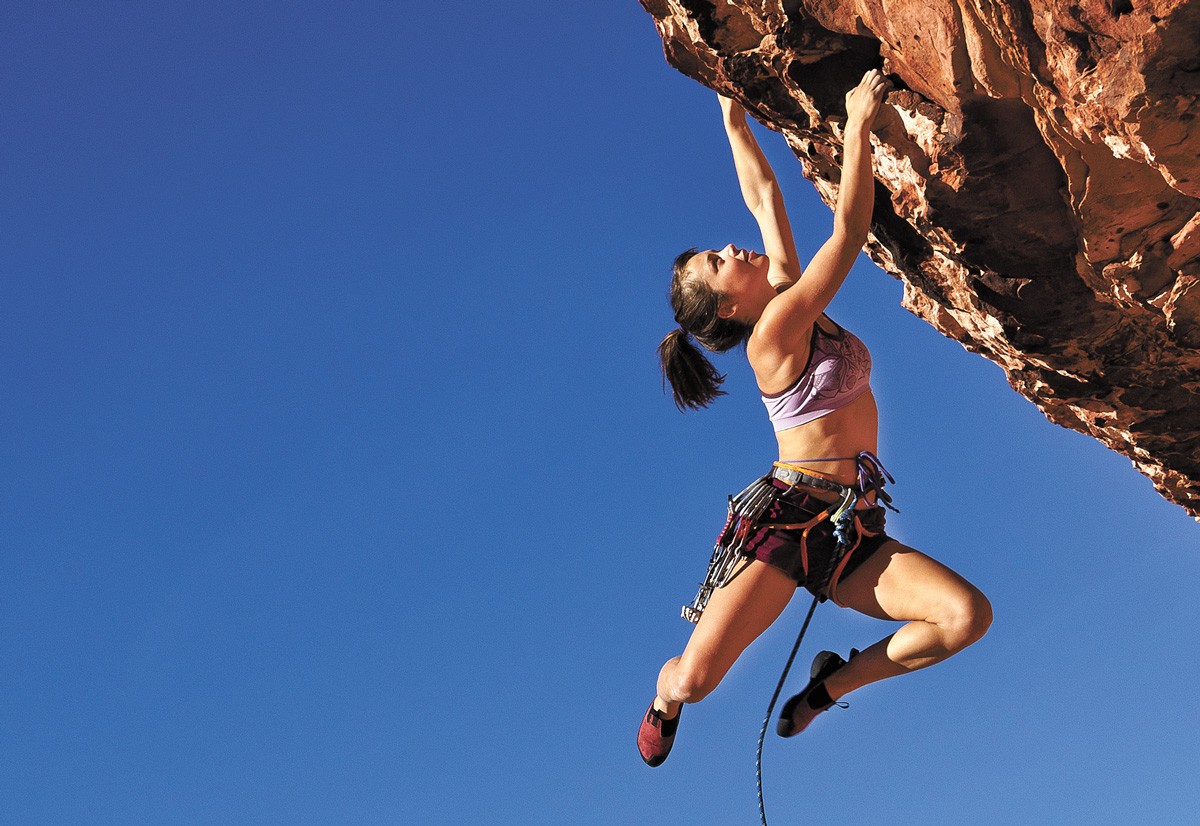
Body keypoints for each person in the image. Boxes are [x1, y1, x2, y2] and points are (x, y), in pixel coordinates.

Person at [638, 69, 992, 768]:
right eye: (719, 261)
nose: (734, 248)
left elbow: (765, 197)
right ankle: (664, 695)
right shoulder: (773, 337)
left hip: (851, 526)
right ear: (728, 309)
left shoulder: (782, 296)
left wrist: (733, 121)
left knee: (964, 618)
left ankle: (831, 684)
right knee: (697, 680)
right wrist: (856, 124)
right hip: (786, 522)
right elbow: (851, 230)